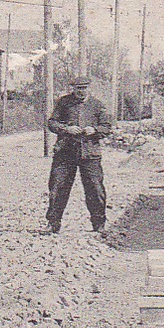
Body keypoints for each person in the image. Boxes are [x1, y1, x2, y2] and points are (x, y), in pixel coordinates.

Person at [44, 74, 114, 234]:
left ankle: (99, 223)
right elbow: (52, 123)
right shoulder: (63, 103)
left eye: (84, 88)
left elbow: (107, 127)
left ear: (89, 88)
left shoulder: (97, 105)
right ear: (73, 89)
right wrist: (66, 129)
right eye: (78, 88)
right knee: (58, 187)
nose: (81, 92)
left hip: (90, 153)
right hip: (65, 152)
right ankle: (53, 223)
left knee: (95, 189)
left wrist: (94, 130)